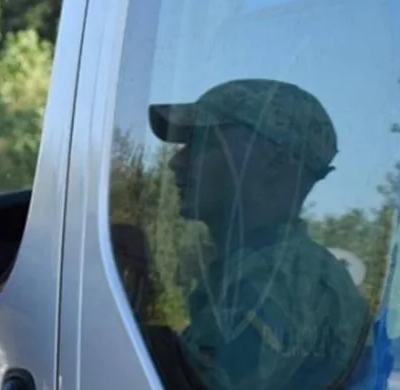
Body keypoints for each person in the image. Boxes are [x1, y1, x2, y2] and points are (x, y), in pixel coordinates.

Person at [141, 78, 368, 390]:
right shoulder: (272, 269)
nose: (176, 161)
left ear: (273, 161)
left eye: (204, 143)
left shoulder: (277, 281)